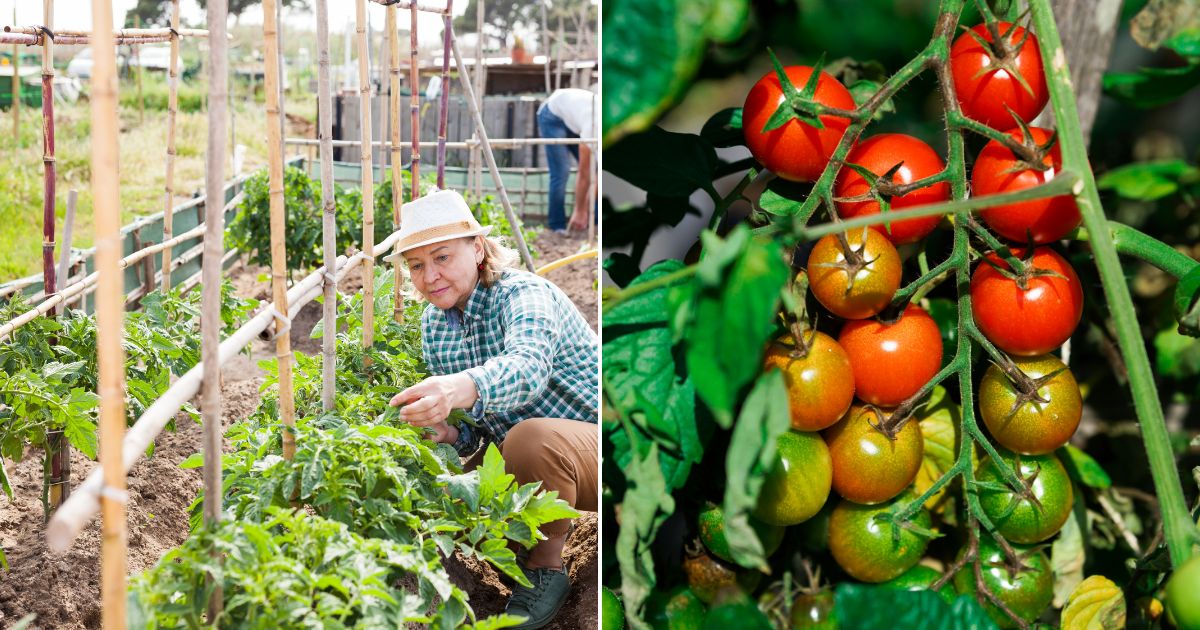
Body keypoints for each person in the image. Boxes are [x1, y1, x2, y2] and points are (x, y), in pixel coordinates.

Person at [386, 189, 599, 629]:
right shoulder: (435, 325)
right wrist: (451, 434)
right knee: (449, 501)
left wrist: (457, 386)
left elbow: (528, 368)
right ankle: (513, 556)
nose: (430, 276)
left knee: (528, 441)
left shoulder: (523, 295)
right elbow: (482, 426)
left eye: (442, 257)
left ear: (478, 248)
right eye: (417, 265)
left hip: (606, 446)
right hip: (541, 454)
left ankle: (545, 567)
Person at [537, 87, 596, 234]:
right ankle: (557, 225)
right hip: (552, 114)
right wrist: (580, 209)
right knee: (561, 171)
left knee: (596, 170)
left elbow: (597, 175)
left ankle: (594, 219)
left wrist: (586, 208)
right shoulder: (593, 128)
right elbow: (584, 173)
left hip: (575, 118)